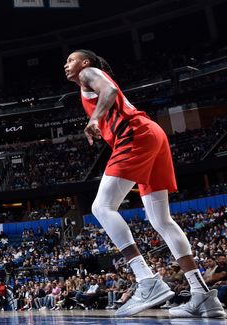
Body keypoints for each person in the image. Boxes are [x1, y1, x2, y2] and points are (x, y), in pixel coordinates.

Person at [65, 50, 225, 318]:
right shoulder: (87, 81)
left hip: (135, 134)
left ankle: (146, 280)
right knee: (161, 221)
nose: (66, 65)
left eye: (71, 60)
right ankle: (202, 296)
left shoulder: (88, 74)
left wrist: (94, 119)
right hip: (152, 135)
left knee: (101, 208)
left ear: (85, 62)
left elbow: (109, 91)